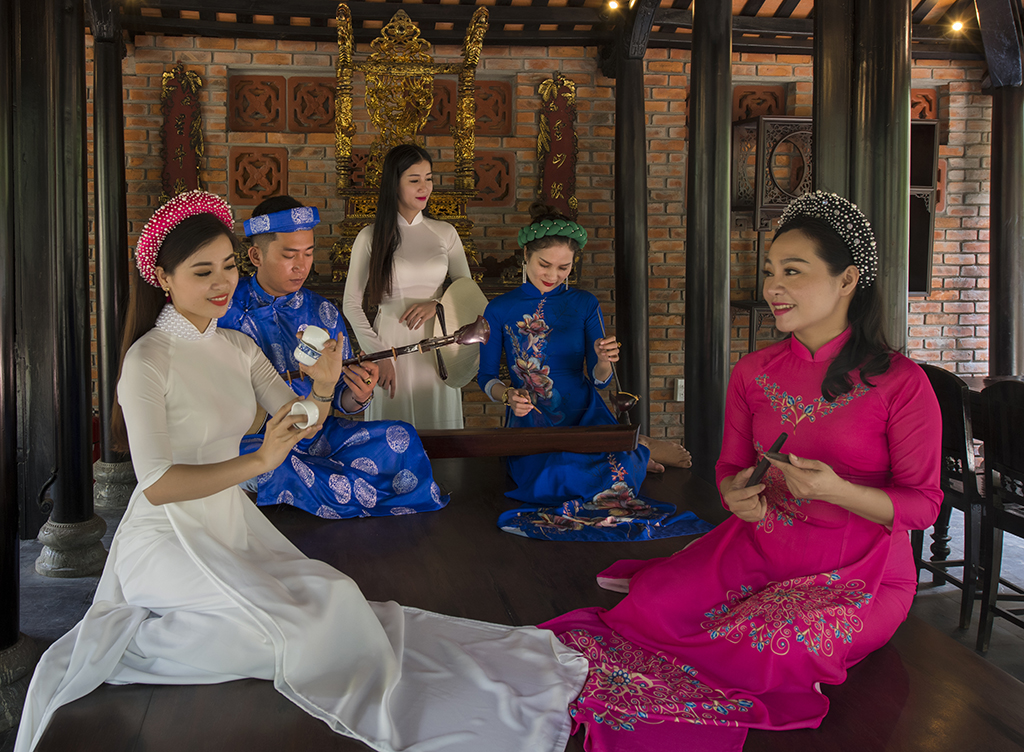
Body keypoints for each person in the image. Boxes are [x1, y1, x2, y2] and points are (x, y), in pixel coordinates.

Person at [15, 190, 588, 752]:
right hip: (166, 535)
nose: (221, 284)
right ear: (164, 279)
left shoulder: (235, 346)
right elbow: (159, 483)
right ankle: (128, 641)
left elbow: (299, 419)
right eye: (201, 272)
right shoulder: (147, 360)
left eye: (227, 267)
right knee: (280, 631)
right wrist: (262, 458)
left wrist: (321, 385)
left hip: (229, 522)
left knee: (334, 597)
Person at [539, 191, 943, 751]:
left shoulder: (902, 383)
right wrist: (736, 495)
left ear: (848, 279)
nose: (773, 287)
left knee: (774, 643)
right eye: (770, 271)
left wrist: (838, 492)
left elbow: (922, 505)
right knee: (653, 607)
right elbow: (730, 468)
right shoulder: (755, 371)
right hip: (759, 547)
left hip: (857, 576)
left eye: (793, 272)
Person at [477, 204, 709, 542]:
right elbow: (486, 378)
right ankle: (640, 449)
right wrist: (508, 397)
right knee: (553, 479)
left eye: (563, 267)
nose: (553, 275)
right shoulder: (498, 308)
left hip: (585, 414)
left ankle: (638, 452)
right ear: (525, 255)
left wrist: (603, 358)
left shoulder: (585, 304)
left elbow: (600, 378)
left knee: (617, 472)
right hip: (533, 421)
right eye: (544, 264)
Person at [219, 195, 447, 519]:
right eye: (289, 255)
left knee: (401, 438)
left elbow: (341, 398)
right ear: (256, 255)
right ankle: (338, 491)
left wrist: (357, 393)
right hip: (257, 438)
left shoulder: (322, 311)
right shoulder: (225, 309)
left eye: (309, 253)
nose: (302, 265)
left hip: (317, 436)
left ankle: (316, 491)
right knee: (261, 461)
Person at [342, 144, 470, 430]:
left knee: (439, 430)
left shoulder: (445, 233)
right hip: (390, 344)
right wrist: (379, 356)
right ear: (394, 184)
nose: (424, 187)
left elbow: (469, 294)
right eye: (414, 180)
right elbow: (351, 303)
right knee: (392, 434)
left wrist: (438, 305)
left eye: (429, 178)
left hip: (438, 344)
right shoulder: (371, 237)